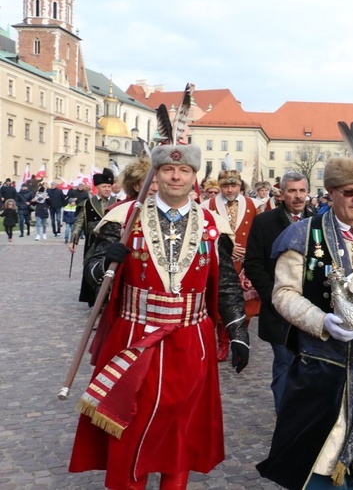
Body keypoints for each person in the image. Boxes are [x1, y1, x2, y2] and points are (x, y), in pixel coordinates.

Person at [69, 139, 250, 490]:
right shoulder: (124, 218)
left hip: (190, 341)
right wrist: (106, 262)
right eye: (168, 169)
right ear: (156, 173)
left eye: (184, 170)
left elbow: (226, 282)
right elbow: (93, 273)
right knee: (129, 421)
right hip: (133, 335)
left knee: (180, 427)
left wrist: (238, 332)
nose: (176, 177)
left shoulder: (213, 226)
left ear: (193, 176)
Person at [257, 122, 353, 489]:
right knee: (315, 451)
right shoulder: (303, 233)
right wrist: (322, 321)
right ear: (331, 192)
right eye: (348, 191)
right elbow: (283, 293)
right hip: (318, 362)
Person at [244, 171, 312, 414]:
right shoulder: (265, 222)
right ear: (282, 194)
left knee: (309, 364)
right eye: (292, 191)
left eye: (302, 190)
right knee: (284, 361)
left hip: (311, 308)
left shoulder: (319, 221)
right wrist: (273, 296)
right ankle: (286, 416)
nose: (297, 196)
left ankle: (304, 412)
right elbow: (253, 263)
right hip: (278, 308)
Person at [203, 169, 261, 361]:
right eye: (226, 186)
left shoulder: (254, 205)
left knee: (247, 306)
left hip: (246, 264)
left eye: (233, 185)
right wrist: (227, 249)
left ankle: (240, 340)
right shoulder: (207, 205)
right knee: (222, 304)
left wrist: (250, 252)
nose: (229, 189)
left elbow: (259, 233)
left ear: (240, 186)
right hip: (222, 263)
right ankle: (223, 343)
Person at [69, 169, 118, 307]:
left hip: (112, 242)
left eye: (109, 186)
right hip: (92, 243)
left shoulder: (118, 202)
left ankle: (109, 300)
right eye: (104, 186)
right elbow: (78, 223)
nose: (108, 189)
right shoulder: (87, 204)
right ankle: (94, 300)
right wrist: (73, 241)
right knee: (93, 269)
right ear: (97, 187)